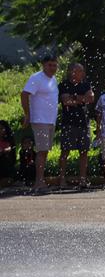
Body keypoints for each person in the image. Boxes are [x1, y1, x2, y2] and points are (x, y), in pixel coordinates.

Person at [20, 54, 59, 192]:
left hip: (50, 120)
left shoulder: (53, 79)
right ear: (43, 65)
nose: (52, 67)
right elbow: (24, 94)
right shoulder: (36, 78)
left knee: (45, 151)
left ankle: (40, 180)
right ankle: (39, 182)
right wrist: (27, 114)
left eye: (55, 65)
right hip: (40, 119)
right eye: (49, 65)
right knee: (42, 151)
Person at [58, 63, 94, 189]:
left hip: (83, 122)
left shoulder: (86, 84)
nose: (79, 73)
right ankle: (62, 180)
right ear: (70, 72)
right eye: (76, 70)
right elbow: (66, 101)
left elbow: (90, 99)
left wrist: (74, 97)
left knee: (84, 152)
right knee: (65, 152)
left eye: (81, 71)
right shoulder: (63, 85)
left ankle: (82, 180)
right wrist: (80, 98)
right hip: (68, 123)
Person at [0, 120, 15, 187]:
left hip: (5, 164)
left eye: (2, 128)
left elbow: (10, 149)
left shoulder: (8, 140)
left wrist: (3, 151)